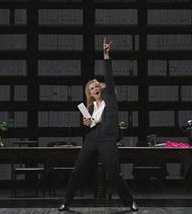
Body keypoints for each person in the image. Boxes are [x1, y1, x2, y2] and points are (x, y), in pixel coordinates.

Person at [58, 37, 138, 212]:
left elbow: (109, 76)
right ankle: (66, 202)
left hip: (108, 140)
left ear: (101, 88)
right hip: (92, 139)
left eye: (96, 86)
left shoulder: (110, 97)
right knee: (77, 171)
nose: (95, 89)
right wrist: (85, 123)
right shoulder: (89, 107)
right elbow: (88, 125)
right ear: (90, 93)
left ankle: (130, 201)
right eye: (91, 89)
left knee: (114, 173)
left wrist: (106, 55)